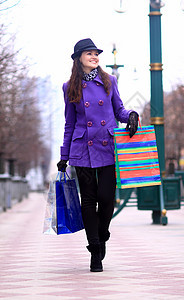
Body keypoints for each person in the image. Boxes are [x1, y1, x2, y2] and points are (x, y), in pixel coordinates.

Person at [57, 38, 139, 272]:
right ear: (78, 59)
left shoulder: (108, 80)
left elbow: (119, 110)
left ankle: (102, 234)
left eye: (96, 54)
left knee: (106, 198)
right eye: (89, 54)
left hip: (106, 146)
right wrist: (64, 155)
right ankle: (94, 249)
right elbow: (69, 123)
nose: (94, 57)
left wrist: (131, 114)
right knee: (88, 200)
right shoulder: (69, 86)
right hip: (82, 148)